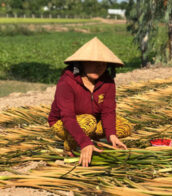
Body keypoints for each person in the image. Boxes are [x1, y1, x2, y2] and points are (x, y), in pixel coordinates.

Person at [48, 37, 132, 167]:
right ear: (82, 63)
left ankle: (91, 139)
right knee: (89, 122)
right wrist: (84, 142)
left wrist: (111, 136)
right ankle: (70, 146)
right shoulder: (67, 82)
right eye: (94, 62)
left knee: (124, 126)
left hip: (91, 122)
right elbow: (67, 117)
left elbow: (108, 111)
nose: (100, 67)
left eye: (103, 64)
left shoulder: (108, 82)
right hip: (63, 123)